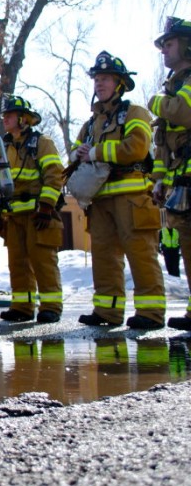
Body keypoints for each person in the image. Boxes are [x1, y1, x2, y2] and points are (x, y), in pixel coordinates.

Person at [72, 51, 164, 329]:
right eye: (97, 79)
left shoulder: (134, 113)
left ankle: (151, 314)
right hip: (100, 201)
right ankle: (107, 312)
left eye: (106, 79)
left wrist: (97, 152)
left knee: (140, 254)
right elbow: (75, 157)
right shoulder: (90, 125)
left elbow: (136, 146)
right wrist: (79, 154)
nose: (99, 83)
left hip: (132, 197)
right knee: (103, 256)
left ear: (120, 84)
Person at [0, 95, 65, 324]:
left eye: (10, 114)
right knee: (17, 263)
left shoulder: (42, 142)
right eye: (4, 114)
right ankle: (22, 307)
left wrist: (46, 206)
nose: (5, 118)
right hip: (14, 216)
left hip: (38, 214)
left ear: (24, 119)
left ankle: (51, 307)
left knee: (43, 261)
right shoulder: (4, 146)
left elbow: (55, 174)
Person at [149, 16, 191, 330]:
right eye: (163, 45)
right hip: (181, 182)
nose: (164, 49)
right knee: (188, 248)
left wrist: (155, 102)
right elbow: (162, 144)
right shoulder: (173, 87)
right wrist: (160, 179)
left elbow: (182, 112)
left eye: (170, 43)